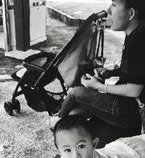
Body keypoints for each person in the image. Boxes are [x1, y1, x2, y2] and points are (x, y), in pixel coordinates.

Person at [49, 0, 145, 137]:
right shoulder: (135, 33)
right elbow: (137, 71)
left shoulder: (138, 41)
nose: (109, 11)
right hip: (128, 106)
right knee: (74, 114)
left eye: (114, 5)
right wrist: (111, 72)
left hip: (129, 111)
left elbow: (134, 90)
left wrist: (98, 85)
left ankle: (57, 122)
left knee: (74, 92)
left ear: (130, 13)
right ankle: (62, 119)